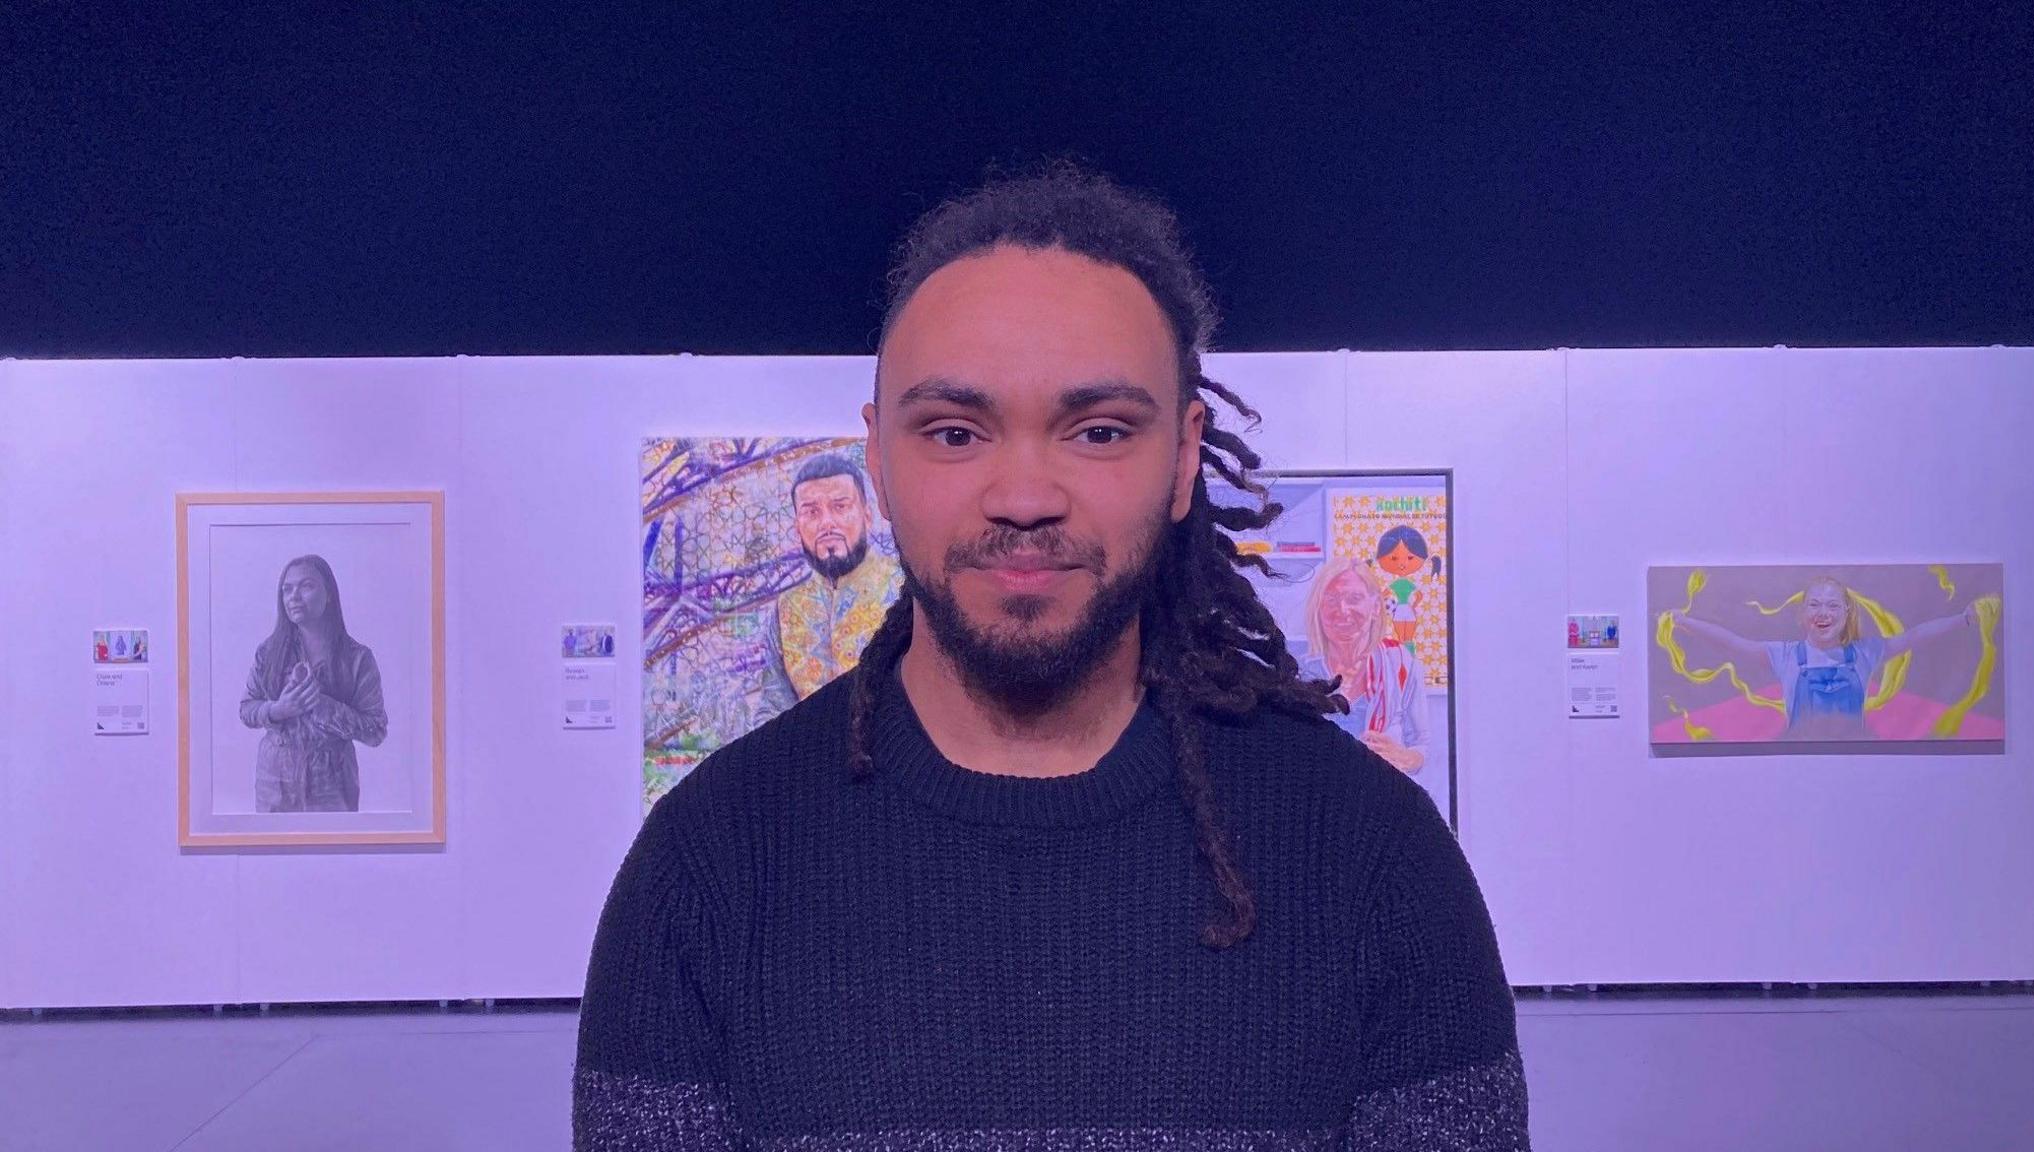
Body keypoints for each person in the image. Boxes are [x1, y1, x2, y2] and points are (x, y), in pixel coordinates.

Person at [576, 165, 1527, 1150]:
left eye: (1097, 431)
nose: (1022, 495)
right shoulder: (707, 865)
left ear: (1184, 457)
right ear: (880, 463)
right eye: (954, 431)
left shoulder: (1370, 857)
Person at [1672, 574, 1981, 740]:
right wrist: (1683, 622)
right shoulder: (1785, 656)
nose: (1823, 614)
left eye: (1833, 606)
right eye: (1815, 605)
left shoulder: (1865, 654)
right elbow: (1731, 643)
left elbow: (1915, 636)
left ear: (1847, 613)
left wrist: (1963, 619)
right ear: (1802, 613)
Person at [751, 453, 903, 726]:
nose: (827, 523)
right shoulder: (787, 608)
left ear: (867, 516)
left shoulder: (904, 589)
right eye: (811, 512)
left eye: (840, 506)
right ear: (797, 526)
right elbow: (773, 709)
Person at [237, 554, 387, 812]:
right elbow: (246, 709)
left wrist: (323, 706)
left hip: (333, 783)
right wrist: (278, 710)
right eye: (287, 589)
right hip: (275, 780)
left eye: (306, 586)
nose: (293, 596)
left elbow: (376, 731)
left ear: (329, 594)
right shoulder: (269, 652)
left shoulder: (357, 658)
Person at [1299, 557, 1429, 773]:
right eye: (1331, 599)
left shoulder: (1402, 666)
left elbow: (1421, 745)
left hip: (1382, 798)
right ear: (1318, 609)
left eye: (1355, 598)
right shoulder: (1299, 674)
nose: (1342, 609)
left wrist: (1405, 758)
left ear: (1376, 606)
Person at [1375, 524, 1440, 650]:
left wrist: (1385, 603)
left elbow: (1383, 594)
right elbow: (1419, 596)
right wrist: (1414, 606)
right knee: (1408, 639)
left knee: (1402, 639)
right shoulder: (1408, 584)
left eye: (1410, 558)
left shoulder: (1396, 584)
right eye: (1393, 558)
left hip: (1399, 610)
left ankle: (1405, 662)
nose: (1401, 564)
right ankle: (1408, 661)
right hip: (1408, 610)